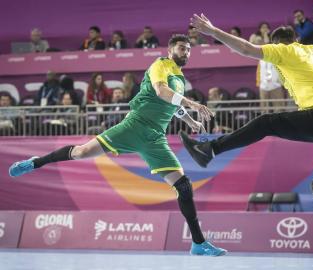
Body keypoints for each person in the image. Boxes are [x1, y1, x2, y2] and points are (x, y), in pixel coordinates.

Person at [8, 34, 226, 257]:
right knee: (82, 152)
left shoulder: (178, 77)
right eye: (182, 48)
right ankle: (36, 162)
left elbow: (171, 103)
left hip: (155, 138)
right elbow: (161, 91)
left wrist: (190, 120)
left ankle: (198, 243)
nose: (186, 52)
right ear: (170, 50)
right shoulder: (160, 65)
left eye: (189, 49)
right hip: (134, 126)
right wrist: (192, 103)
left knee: (183, 186)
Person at [179, 13, 313, 210]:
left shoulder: (282, 51)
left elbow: (246, 49)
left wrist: (213, 31)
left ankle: (209, 149)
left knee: (266, 122)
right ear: (296, 39)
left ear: (277, 43)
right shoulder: (312, 51)